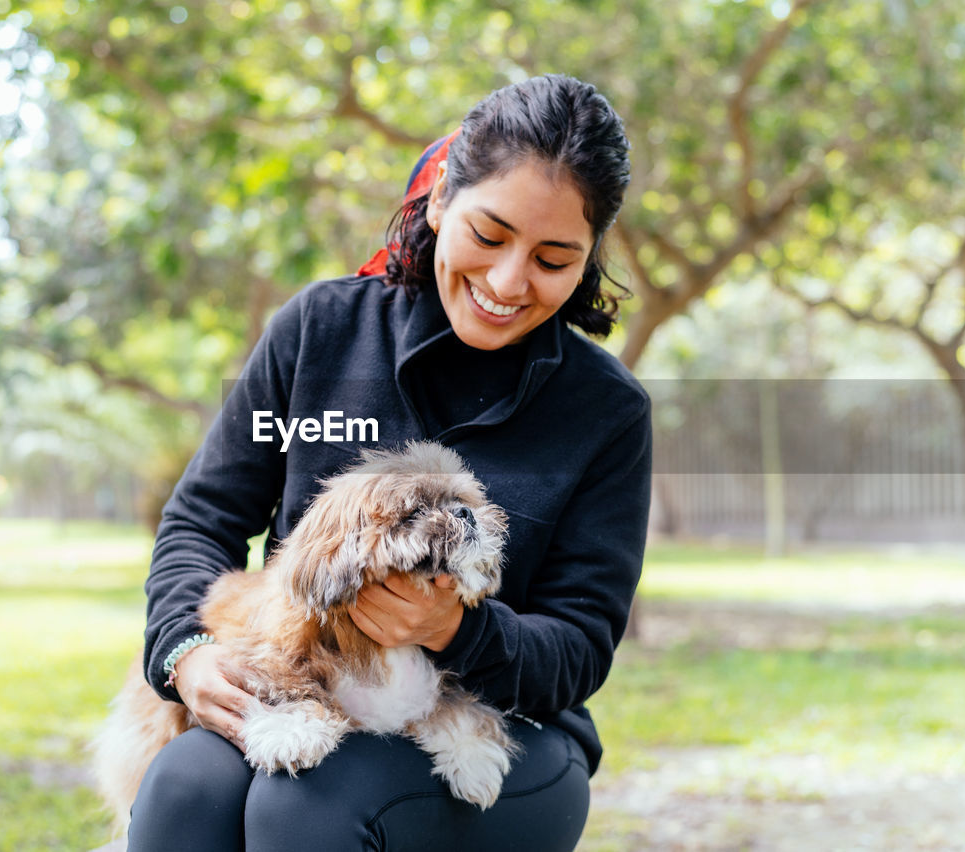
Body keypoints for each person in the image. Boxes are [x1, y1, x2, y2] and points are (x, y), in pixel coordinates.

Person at [128, 73, 651, 851]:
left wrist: (458, 632)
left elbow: (577, 647)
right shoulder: (319, 332)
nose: (508, 282)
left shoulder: (607, 412)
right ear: (440, 199)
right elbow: (203, 520)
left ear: (587, 259)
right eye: (489, 234)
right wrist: (184, 649)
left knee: (305, 808)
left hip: (503, 730)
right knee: (185, 787)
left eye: (552, 258)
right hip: (307, 686)